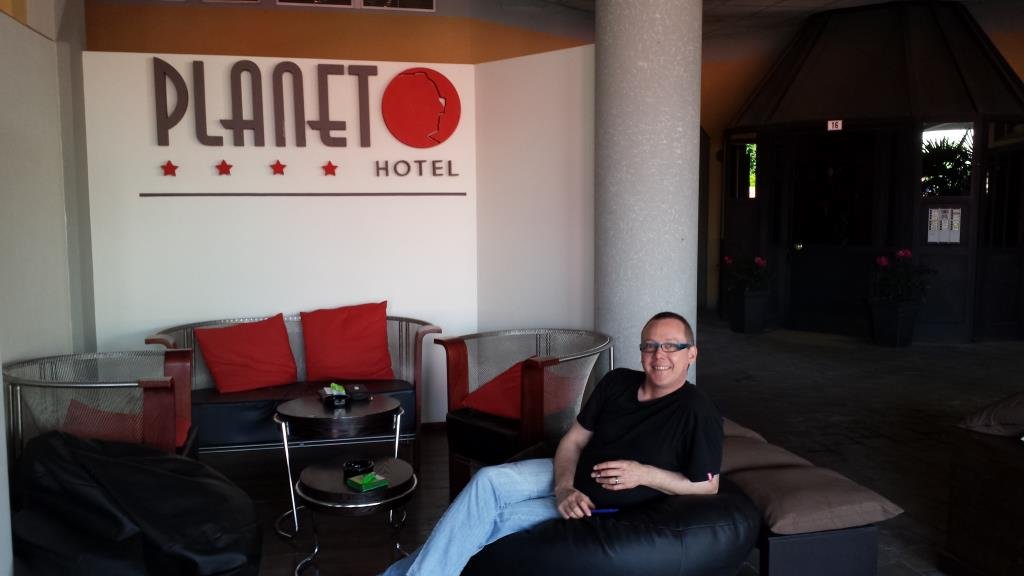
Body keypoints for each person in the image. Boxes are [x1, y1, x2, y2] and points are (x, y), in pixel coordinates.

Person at [382, 311, 723, 576]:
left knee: (492, 521)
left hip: (596, 503)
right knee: (487, 481)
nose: (659, 354)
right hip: (564, 476)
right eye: (650, 345)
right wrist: (563, 486)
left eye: (671, 346)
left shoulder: (698, 412)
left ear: (691, 354)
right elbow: (573, 441)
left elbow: (708, 486)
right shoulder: (617, 381)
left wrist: (643, 474)